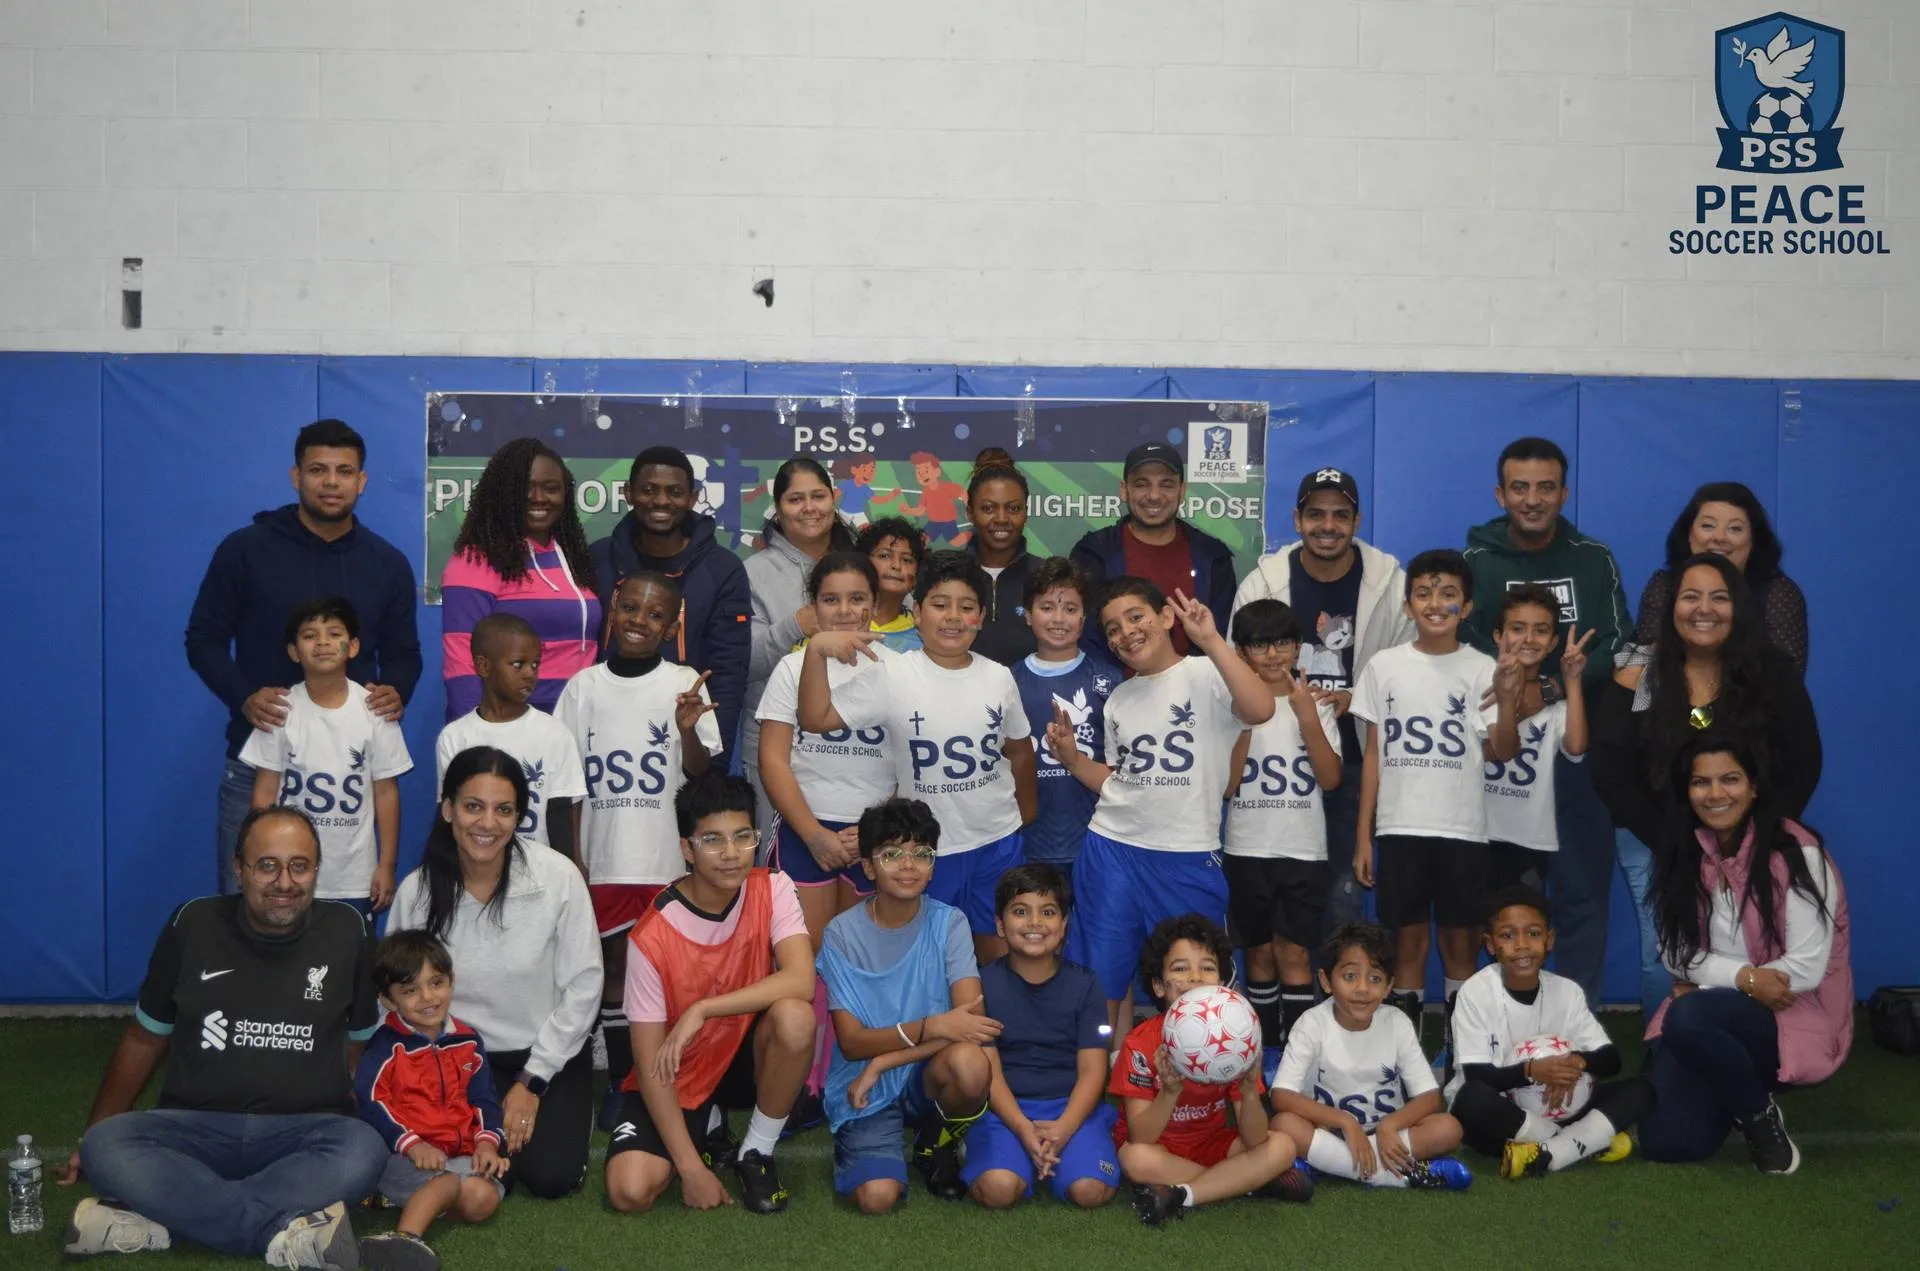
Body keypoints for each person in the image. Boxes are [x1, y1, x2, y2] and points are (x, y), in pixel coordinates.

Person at [63, 807, 386, 1266]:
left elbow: (360, 1047)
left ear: (317, 868)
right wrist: (89, 1138)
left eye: (300, 865)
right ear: (239, 869)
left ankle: (163, 1220)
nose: (285, 882)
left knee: (363, 1152)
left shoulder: (349, 930)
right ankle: (282, 1231)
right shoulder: (192, 923)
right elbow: (144, 1038)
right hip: (194, 1130)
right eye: (267, 865)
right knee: (105, 1145)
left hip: (305, 1134)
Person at [186, 418, 421, 891]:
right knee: (251, 909)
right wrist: (244, 697)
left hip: (349, 777)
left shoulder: (387, 563)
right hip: (260, 765)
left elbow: (404, 653)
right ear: (297, 477)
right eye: (318, 469)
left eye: (344, 470)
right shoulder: (245, 551)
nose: (331, 482)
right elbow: (204, 639)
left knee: (339, 916)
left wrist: (396, 692)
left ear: (362, 480)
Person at [1591, 554, 1823, 1019]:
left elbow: (1803, 761)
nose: (1705, 609)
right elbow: (1611, 768)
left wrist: (1757, 836)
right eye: (1691, 596)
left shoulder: (1769, 671)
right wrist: (1675, 843)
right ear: (1670, 606)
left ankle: (1747, 1051)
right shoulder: (1640, 670)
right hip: (1654, 839)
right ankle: (1668, 1047)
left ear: (1738, 607)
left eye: (1719, 598)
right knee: (1666, 952)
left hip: (1753, 842)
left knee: (1743, 945)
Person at [1050, 578, 1274, 1038]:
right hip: (1111, 850)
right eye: (1112, 628)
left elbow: (1261, 708)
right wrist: (1072, 759)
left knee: (1197, 984)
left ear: (1167, 618)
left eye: (1136, 617)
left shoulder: (1207, 672)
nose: (1125, 632)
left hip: (1187, 855)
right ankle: (1105, 1081)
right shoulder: (1119, 698)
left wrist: (1210, 638)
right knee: (1103, 978)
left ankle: (1208, 1084)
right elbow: (1119, 780)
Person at [799, 551, 1039, 962]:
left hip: (996, 843)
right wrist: (816, 651)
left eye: (966, 608)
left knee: (998, 952)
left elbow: (1018, 750)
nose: (952, 618)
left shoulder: (998, 676)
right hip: (925, 851)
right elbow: (816, 717)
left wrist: (1023, 818)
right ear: (916, 613)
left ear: (980, 618)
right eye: (940, 605)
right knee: (925, 956)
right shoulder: (892, 673)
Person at [387, 747, 603, 1200]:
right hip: (457, 1061)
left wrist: (532, 1082)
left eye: (503, 810)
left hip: (544, 1055)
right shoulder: (418, 892)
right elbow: (398, 994)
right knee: (485, 1175)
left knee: (551, 1179)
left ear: (519, 816)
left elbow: (584, 987)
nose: (487, 824)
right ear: (448, 810)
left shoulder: (558, 878)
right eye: (472, 807)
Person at [1463, 438, 1631, 1005]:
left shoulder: (1593, 558)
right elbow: (1461, 646)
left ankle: (1580, 1026)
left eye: (1545, 487)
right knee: (1501, 902)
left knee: (1580, 894)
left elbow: (1621, 648)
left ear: (1564, 492)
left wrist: (1552, 687)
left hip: (1575, 755)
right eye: (1519, 487)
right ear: (1500, 493)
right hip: (1501, 758)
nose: (1532, 500)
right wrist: (1514, 696)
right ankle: (1502, 1022)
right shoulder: (1478, 563)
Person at [605, 772, 816, 1216]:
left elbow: (801, 981)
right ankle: (707, 1129)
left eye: (743, 837)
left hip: (742, 1054)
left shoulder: (772, 887)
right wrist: (690, 1170)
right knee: (630, 1191)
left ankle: (754, 1153)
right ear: (687, 848)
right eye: (712, 840)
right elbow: (648, 1063)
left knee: (795, 1017)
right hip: (680, 1066)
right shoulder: (651, 935)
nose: (731, 854)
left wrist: (703, 1009)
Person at [553, 571, 723, 1120]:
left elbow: (698, 775)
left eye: (655, 615)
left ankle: (674, 1078)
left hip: (664, 861)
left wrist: (689, 730)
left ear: (673, 624)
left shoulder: (685, 684)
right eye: (630, 608)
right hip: (603, 861)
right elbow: (566, 783)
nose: (639, 622)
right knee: (612, 972)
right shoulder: (584, 687)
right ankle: (625, 1083)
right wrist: (572, 859)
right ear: (612, 608)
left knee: (670, 975)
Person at [1638, 736, 1850, 1174]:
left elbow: (1806, 969)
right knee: (1669, 1143)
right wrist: (1743, 980)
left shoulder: (1797, 852)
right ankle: (1733, 1082)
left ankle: (1757, 1117)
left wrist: (1710, 984)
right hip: (1719, 1008)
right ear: (1687, 790)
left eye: (1730, 779)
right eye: (1701, 782)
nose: (1716, 794)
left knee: (1689, 1017)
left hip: (1790, 1010)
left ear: (1754, 786)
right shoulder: (1681, 850)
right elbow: (1674, 953)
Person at [1232, 467, 1414, 941]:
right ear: (1296, 519)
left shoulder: (1391, 585)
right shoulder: (1263, 582)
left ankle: (1339, 1006)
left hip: (1354, 761)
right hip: (1271, 772)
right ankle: (1293, 1010)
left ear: (1357, 520)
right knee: (1277, 918)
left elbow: (1412, 671)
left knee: (1343, 897)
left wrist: (1358, 699)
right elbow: (1233, 666)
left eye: (1340, 515)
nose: (1327, 525)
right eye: (1316, 514)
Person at [1351, 549, 1516, 1041]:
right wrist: (1364, 834)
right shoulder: (1385, 666)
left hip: (1461, 829)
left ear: (1466, 608)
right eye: (1423, 593)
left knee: (1460, 940)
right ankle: (1408, 1050)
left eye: (1448, 595)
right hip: (1400, 829)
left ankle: (1463, 1051)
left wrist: (1508, 699)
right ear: (1407, 606)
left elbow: (1501, 751)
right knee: (1407, 942)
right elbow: (1374, 756)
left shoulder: (1482, 667)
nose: (1435, 603)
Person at [819, 799, 996, 1214]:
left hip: (923, 1072)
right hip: (863, 1080)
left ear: (933, 864)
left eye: (921, 854)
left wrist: (886, 1060)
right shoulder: (841, 934)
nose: (908, 865)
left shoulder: (949, 923)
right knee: (877, 1199)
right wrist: (933, 1027)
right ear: (868, 866)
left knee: (971, 1065)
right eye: (892, 854)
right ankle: (874, 1147)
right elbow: (852, 1043)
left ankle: (934, 1142)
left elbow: (969, 1026)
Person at [1110, 915, 1307, 1228]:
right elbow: (1141, 1135)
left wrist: (1247, 1093)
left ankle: (1183, 1195)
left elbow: (1255, 1138)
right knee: (1134, 1158)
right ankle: (1247, 1184)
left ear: (1221, 981)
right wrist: (1170, 1091)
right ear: (1159, 986)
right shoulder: (1140, 1043)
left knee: (1282, 1145)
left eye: (1207, 967)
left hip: (1213, 1144)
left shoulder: (1235, 1037)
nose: (1195, 977)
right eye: (1180, 968)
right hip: (1161, 1150)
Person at [1446, 887, 1647, 1180]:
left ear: (1549, 939)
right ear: (1490, 945)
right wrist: (1533, 1071)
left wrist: (1576, 1063)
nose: (1522, 945)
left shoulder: (1567, 991)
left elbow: (1611, 1060)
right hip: (1506, 1110)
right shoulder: (1475, 993)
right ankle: (1581, 1142)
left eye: (1533, 933)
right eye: (1507, 935)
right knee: (1470, 1101)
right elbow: (1478, 1075)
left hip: (1566, 1103)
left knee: (1643, 1088)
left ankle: (1547, 1154)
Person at [241, 597, 413, 917]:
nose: (323, 642)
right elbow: (265, 791)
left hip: (354, 878)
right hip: (288, 878)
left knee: (350, 961)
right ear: (294, 652)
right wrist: (262, 858)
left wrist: (386, 866)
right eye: (309, 635)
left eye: (334, 633)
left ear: (353, 646)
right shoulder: (279, 709)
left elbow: (387, 793)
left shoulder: (375, 710)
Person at [1268, 923, 1472, 1191]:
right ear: (1326, 981)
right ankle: (1397, 1176)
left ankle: (1334, 1165)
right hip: (1330, 1131)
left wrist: (1390, 1125)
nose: (1363, 988)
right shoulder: (1312, 1023)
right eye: (1350, 976)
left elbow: (1430, 1098)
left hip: (1387, 1135)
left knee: (1448, 1128)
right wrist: (1344, 1121)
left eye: (1375, 979)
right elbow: (1281, 1096)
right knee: (1283, 1124)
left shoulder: (1397, 1022)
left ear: (1389, 986)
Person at [1222, 599, 1342, 1055]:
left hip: (1302, 849)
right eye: (1258, 645)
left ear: (1297, 647)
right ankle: (1265, 1051)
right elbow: (1229, 787)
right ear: (1241, 651)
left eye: (1283, 643)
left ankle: (1298, 1051)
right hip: (1247, 849)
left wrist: (1308, 717)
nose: (1272, 654)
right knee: (1259, 953)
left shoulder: (1311, 705)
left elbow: (1330, 779)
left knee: (1294, 952)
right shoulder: (1230, 708)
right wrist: (1247, 720)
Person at [963, 865, 1118, 1212]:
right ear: (1000, 925)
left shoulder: (1086, 985)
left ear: (1064, 925)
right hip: (1005, 1110)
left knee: (1090, 1191)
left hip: (1070, 1109)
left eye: (1048, 912)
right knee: (999, 1190)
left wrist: (1063, 1129)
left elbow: (1093, 1071)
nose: (1034, 923)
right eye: (1020, 911)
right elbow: (991, 1072)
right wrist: (1022, 1128)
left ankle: (1071, 1149)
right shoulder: (981, 984)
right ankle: (990, 1150)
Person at [590, 445, 752, 768]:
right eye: (648, 490)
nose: (661, 501)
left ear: (692, 498)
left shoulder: (722, 569)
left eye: (675, 492)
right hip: (606, 735)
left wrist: (713, 770)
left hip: (686, 739)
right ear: (628, 493)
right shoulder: (598, 559)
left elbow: (728, 673)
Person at [353, 931, 507, 1270]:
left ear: (450, 982)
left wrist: (486, 1145)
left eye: (436, 983)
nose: (427, 997)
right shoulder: (385, 1047)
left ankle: (398, 1201)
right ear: (389, 1001)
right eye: (410, 990)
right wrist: (412, 1145)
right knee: (448, 1183)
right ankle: (404, 1240)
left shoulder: (468, 1040)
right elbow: (370, 1103)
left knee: (483, 1200)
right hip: (402, 1156)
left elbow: (485, 1099)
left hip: (458, 1155)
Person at [441, 436, 600, 720]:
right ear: (502, 493)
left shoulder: (573, 557)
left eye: (551, 489)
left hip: (577, 724)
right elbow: (462, 662)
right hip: (510, 726)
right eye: (524, 488)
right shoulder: (476, 559)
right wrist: (477, 736)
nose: (538, 498)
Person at [743, 457, 857, 832]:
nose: (809, 508)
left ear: (834, 499)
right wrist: (795, 625)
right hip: (777, 747)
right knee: (778, 870)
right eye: (795, 499)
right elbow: (745, 663)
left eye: (818, 496)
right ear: (777, 508)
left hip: (857, 744)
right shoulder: (752, 573)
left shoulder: (861, 565)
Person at [434, 613, 585, 858]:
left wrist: (570, 873)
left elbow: (561, 815)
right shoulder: (455, 737)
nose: (529, 673)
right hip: (475, 872)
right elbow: (448, 815)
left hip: (538, 876)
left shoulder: (554, 733)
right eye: (518, 664)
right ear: (483, 666)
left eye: (535, 664)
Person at [1071, 442, 1237, 658]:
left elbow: (1220, 638)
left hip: (1195, 687)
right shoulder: (1093, 554)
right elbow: (1087, 638)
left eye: (1166, 484)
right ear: (1124, 490)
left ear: (1182, 490)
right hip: (1114, 688)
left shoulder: (1213, 557)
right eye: (1142, 484)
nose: (1154, 495)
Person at [1012, 558, 1120, 888]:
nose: (1059, 618)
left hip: (1097, 842)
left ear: (1084, 618)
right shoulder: (1005, 681)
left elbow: (1124, 769)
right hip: (1028, 845)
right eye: (1047, 607)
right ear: (1028, 614)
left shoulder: (1109, 679)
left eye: (1070, 609)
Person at [1629, 481, 1808, 673]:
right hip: (1669, 699)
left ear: (1754, 540)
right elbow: (1642, 669)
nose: (1720, 537)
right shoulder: (1663, 587)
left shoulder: (1779, 594)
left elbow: (1786, 682)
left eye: (1735, 529)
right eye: (1708, 526)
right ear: (1689, 534)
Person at [1484, 585, 1593, 893]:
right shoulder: (1477, 684)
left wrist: (1572, 681)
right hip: (1472, 831)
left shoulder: (1556, 702)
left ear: (1553, 643)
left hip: (1528, 837)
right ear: (1497, 635)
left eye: (1541, 631)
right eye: (1517, 629)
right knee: (1467, 929)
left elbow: (1576, 747)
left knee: (1520, 930)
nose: (1529, 639)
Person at [961, 463, 1037, 666]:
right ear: (969, 512)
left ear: (1026, 513)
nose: (1002, 518)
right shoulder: (949, 573)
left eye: (1013, 508)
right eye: (988, 508)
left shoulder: (1046, 577)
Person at [854, 516, 925, 653]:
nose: (896, 566)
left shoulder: (924, 634)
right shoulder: (839, 619)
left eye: (907, 560)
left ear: (916, 576)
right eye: (884, 556)